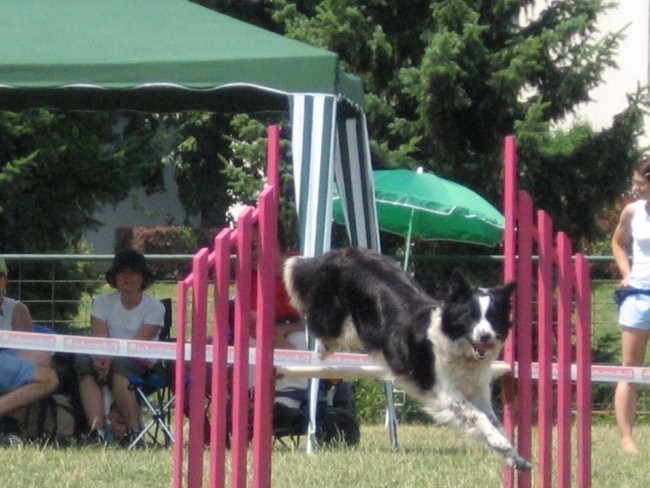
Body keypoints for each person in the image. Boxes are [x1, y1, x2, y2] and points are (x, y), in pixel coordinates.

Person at [75, 249, 165, 445]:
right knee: (83, 362)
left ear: (143, 277)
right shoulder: (102, 302)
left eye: (133, 272)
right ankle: (96, 433)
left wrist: (109, 360)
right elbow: (99, 336)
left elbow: (138, 343)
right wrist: (102, 360)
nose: (127, 277)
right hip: (106, 357)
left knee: (120, 366)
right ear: (114, 278)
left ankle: (135, 434)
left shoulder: (156, 307)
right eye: (122, 272)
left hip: (141, 361)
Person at [612, 156, 650, 454]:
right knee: (629, 371)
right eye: (635, 181)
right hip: (638, 294)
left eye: (640, 183)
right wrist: (626, 274)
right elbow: (618, 243)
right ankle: (627, 440)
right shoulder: (632, 211)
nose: (635, 187)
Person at [0, 258, 59, 446]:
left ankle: (12, 428)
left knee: (40, 361)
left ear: (6, 280)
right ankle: (12, 428)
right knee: (45, 374)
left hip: (7, 363)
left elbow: (26, 347)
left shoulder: (17, 309)